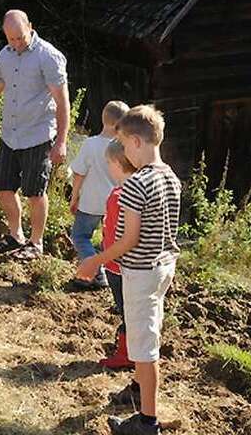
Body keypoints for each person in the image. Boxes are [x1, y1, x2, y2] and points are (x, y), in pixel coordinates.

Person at [77, 105, 181, 435]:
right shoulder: (170, 177)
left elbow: (129, 239)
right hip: (163, 266)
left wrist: (95, 259)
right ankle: (138, 392)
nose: (121, 151)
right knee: (144, 335)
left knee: (145, 349)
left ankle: (147, 423)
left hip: (140, 272)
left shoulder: (137, 185)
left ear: (135, 142)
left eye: (122, 143)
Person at [0, 9, 70, 259]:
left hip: (38, 135)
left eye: (20, 37)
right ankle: (16, 235)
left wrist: (61, 141)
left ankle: (36, 243)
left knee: (35, 192)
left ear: (30, 26)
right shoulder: (5, 55)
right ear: (5, 36)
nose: (17, 43)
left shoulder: (48, 56)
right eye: (12, 39)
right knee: (3, 189)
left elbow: (62, 101)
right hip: (10, 135)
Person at [69, 101, 129, 289]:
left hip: (91, 201)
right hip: (116, 203)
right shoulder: (123, 149)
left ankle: (96, 271)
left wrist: (74, 197)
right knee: (110, 239)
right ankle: (109, 271)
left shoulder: (91, 144)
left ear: (103, 119)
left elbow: (79, 173)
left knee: (80, 236)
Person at [98, 139, 137, 370]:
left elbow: (115, 233)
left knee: (127, 311)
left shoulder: (119, 196)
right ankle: (130, 350)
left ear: (116, 163)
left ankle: (126, 354)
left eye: (108, 163)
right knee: (130, 310)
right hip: (129, 265)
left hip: (116, 266)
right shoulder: (135, 191)